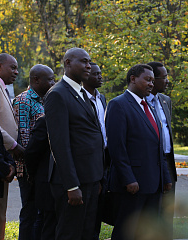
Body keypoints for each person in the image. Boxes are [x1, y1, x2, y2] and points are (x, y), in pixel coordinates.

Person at [105, 64, 172, 240]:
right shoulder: (118, 105)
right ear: (133, 79)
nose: (151, 84)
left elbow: (159, 146)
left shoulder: (148, 106)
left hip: (154, 185)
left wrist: (165, 178)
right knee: (127, 232)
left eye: (152, 80)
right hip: (132, 186)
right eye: (147, 80)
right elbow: (117, 148)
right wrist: (129, 179)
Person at [44, 47, 104, 240]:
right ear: (68, 63)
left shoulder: (81, 92)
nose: (88, 66)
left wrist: (98, 178)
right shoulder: (58, 94)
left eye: (89, 62)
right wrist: (71, 186)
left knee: (87, 233)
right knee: (70, 234)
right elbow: (59, 144)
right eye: (83, 62)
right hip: (73, 182)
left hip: (90, 178)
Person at [13, 64, 55, 240]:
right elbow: (24, 138)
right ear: (36, 80)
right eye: (50, 79)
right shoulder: (24, 101)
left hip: (43, 167)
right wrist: (30, 169)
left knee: (42, 214)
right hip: (29, 169)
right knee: (30, 213)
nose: (54, 82)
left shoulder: (45, 99)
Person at [0, 53, 24, 240]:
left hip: (3, 158)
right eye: (13, 67)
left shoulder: (2, 87)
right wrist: (14, 145)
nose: (16, 72)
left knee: (0, 215)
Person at [146, 62, 177, 239]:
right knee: (151, 212)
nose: (167, 80)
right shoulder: (140, 102)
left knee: (167, 211)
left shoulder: (166, 101)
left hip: (167, 163)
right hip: (150, 163)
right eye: (163, 77)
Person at [82, 62, 108, 240]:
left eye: (100, 74)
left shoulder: (102, 98)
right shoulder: (80, 98)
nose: (99, 77)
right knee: (86, 213)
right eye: (95, 74)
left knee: (97, 210)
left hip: (104, 156)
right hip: (88, 160)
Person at [25, 115, 56, 240]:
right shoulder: (45, 121)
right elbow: (31, 152)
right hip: (46, 183)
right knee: (46, 225)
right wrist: (33, 175)